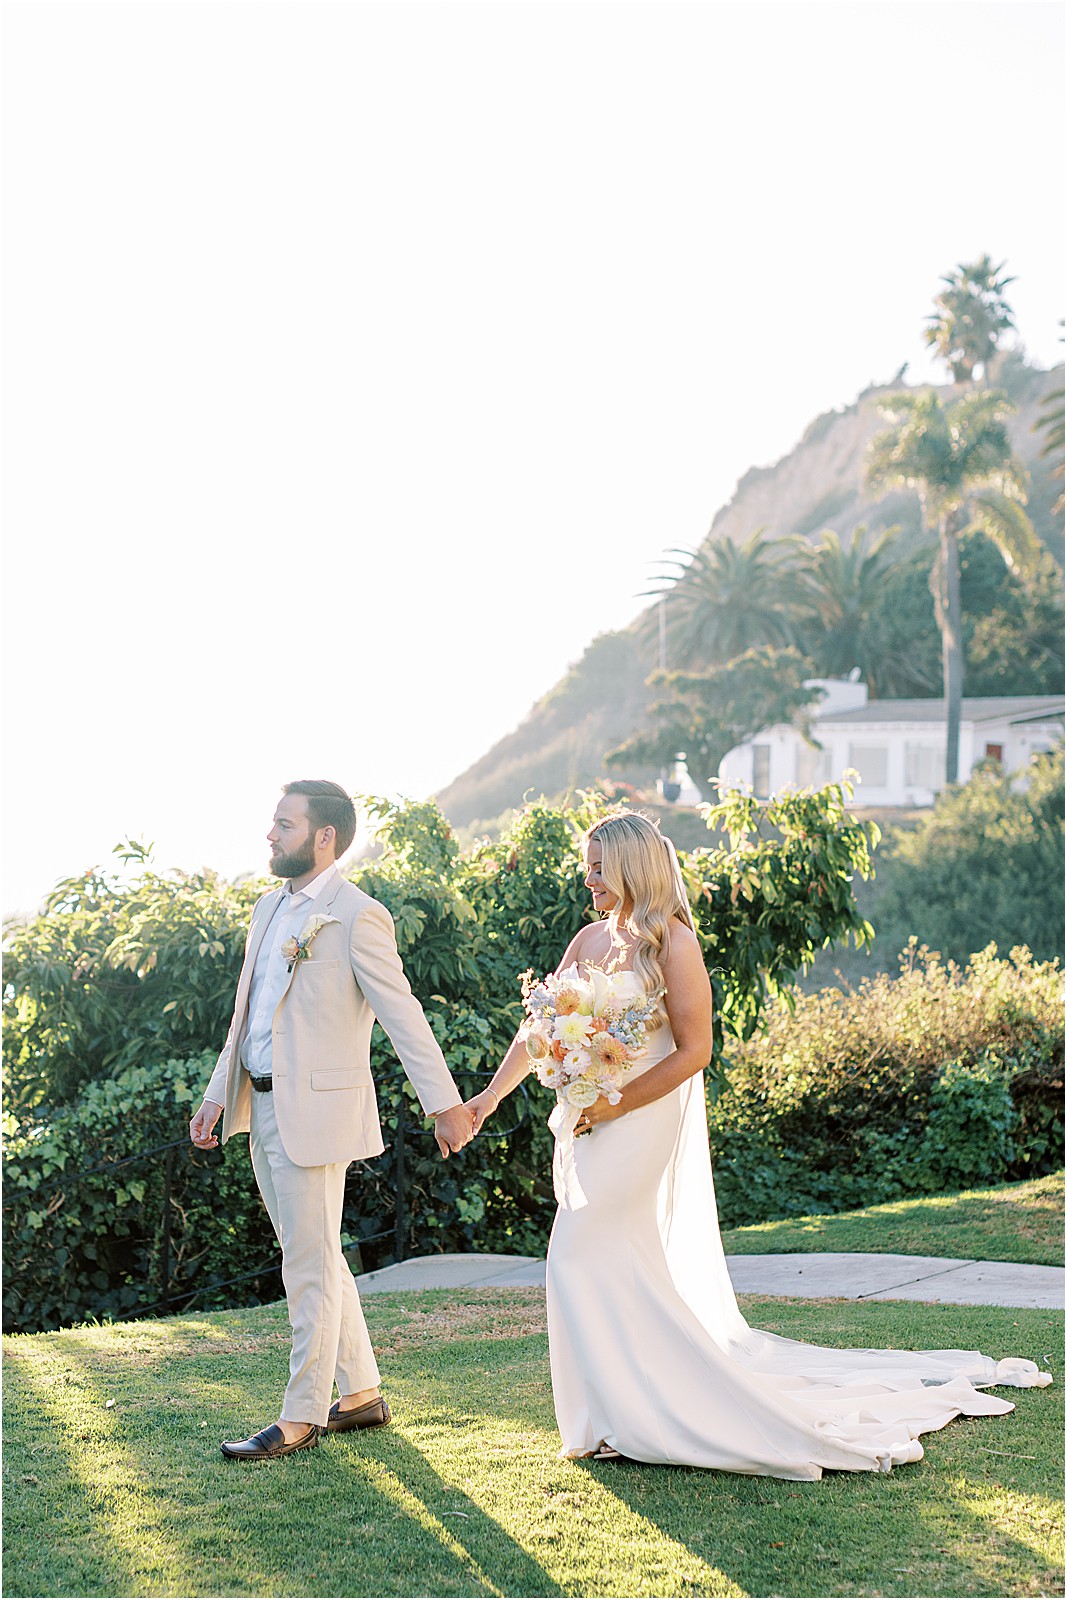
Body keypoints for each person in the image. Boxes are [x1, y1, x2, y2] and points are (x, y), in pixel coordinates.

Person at [465, 810, 1051, 1478]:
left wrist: (614, 1101)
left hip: (634, 1118)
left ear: (631, 866)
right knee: (607, 1264)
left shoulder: (672, 943)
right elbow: (536, 1029)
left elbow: (694, 1051)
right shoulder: (586, 940)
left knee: (577, 1255)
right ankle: (613, 1417)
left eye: (598, 866)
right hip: (582, 1122)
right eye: (585, 865)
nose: (587, 877)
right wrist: (487, 1100)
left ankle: (632, 1415)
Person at [190, 779, 474, 1460]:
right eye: (272, 823)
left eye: (284, 825)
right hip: (260, 1108)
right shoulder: (266, 909)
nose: (269, 834)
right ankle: (362, 1395)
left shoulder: (357, 916)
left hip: (317, 1114)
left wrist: (445, 1105)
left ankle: (300, 1416)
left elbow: (402, 1014)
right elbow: (248, 1020)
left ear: (324, 837)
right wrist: (215, 1095)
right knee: (313, 1254)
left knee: (308, 1264)